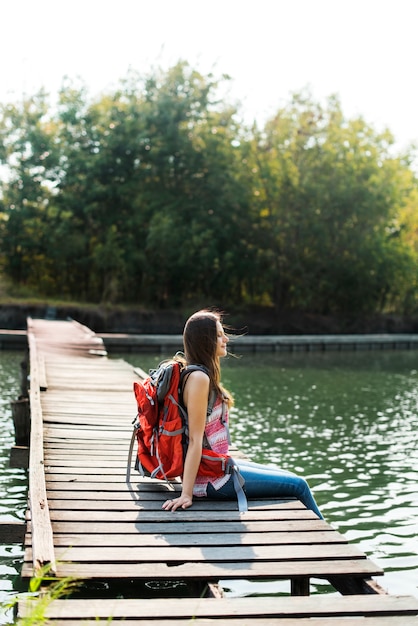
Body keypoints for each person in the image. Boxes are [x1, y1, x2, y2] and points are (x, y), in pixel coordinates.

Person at [162, 309, 323, 519]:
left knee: (292, 477)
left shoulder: (197, 374)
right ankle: (330, 546)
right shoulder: (199, 379)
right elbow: (194, 439)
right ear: (206, 340)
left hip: (217, 467)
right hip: (213, 479)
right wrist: (187, 494)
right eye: (219, 335)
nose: (226, 339)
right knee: (299, 485)